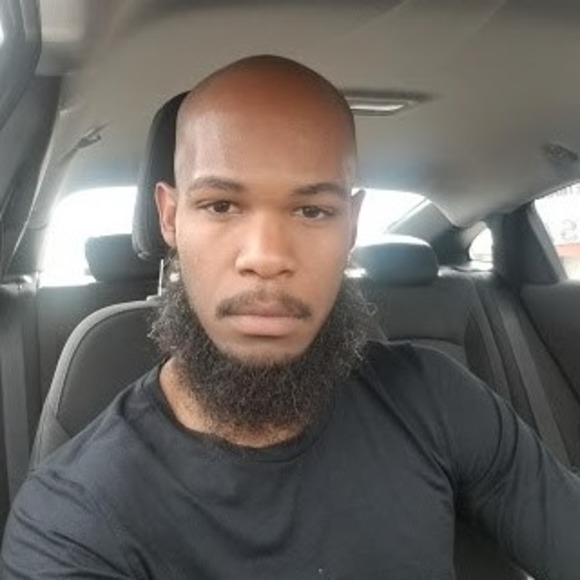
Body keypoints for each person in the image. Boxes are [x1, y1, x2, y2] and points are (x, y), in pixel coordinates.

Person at [2, 55, 580, 579]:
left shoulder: (436, 399)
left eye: (312, 210)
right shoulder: (73, 519)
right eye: (221, 205)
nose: (267, 257)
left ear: (352, 224)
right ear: (170, 217)